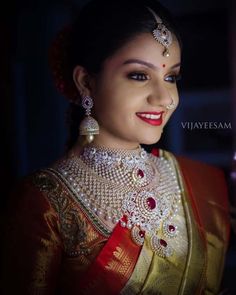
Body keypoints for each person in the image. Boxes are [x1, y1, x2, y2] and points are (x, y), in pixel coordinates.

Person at [2, 0, 230, 294]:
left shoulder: (194, 181)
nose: (164, 97)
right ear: (86, 82)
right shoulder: (44, 203)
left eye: (171, 77)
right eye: (139, 75)